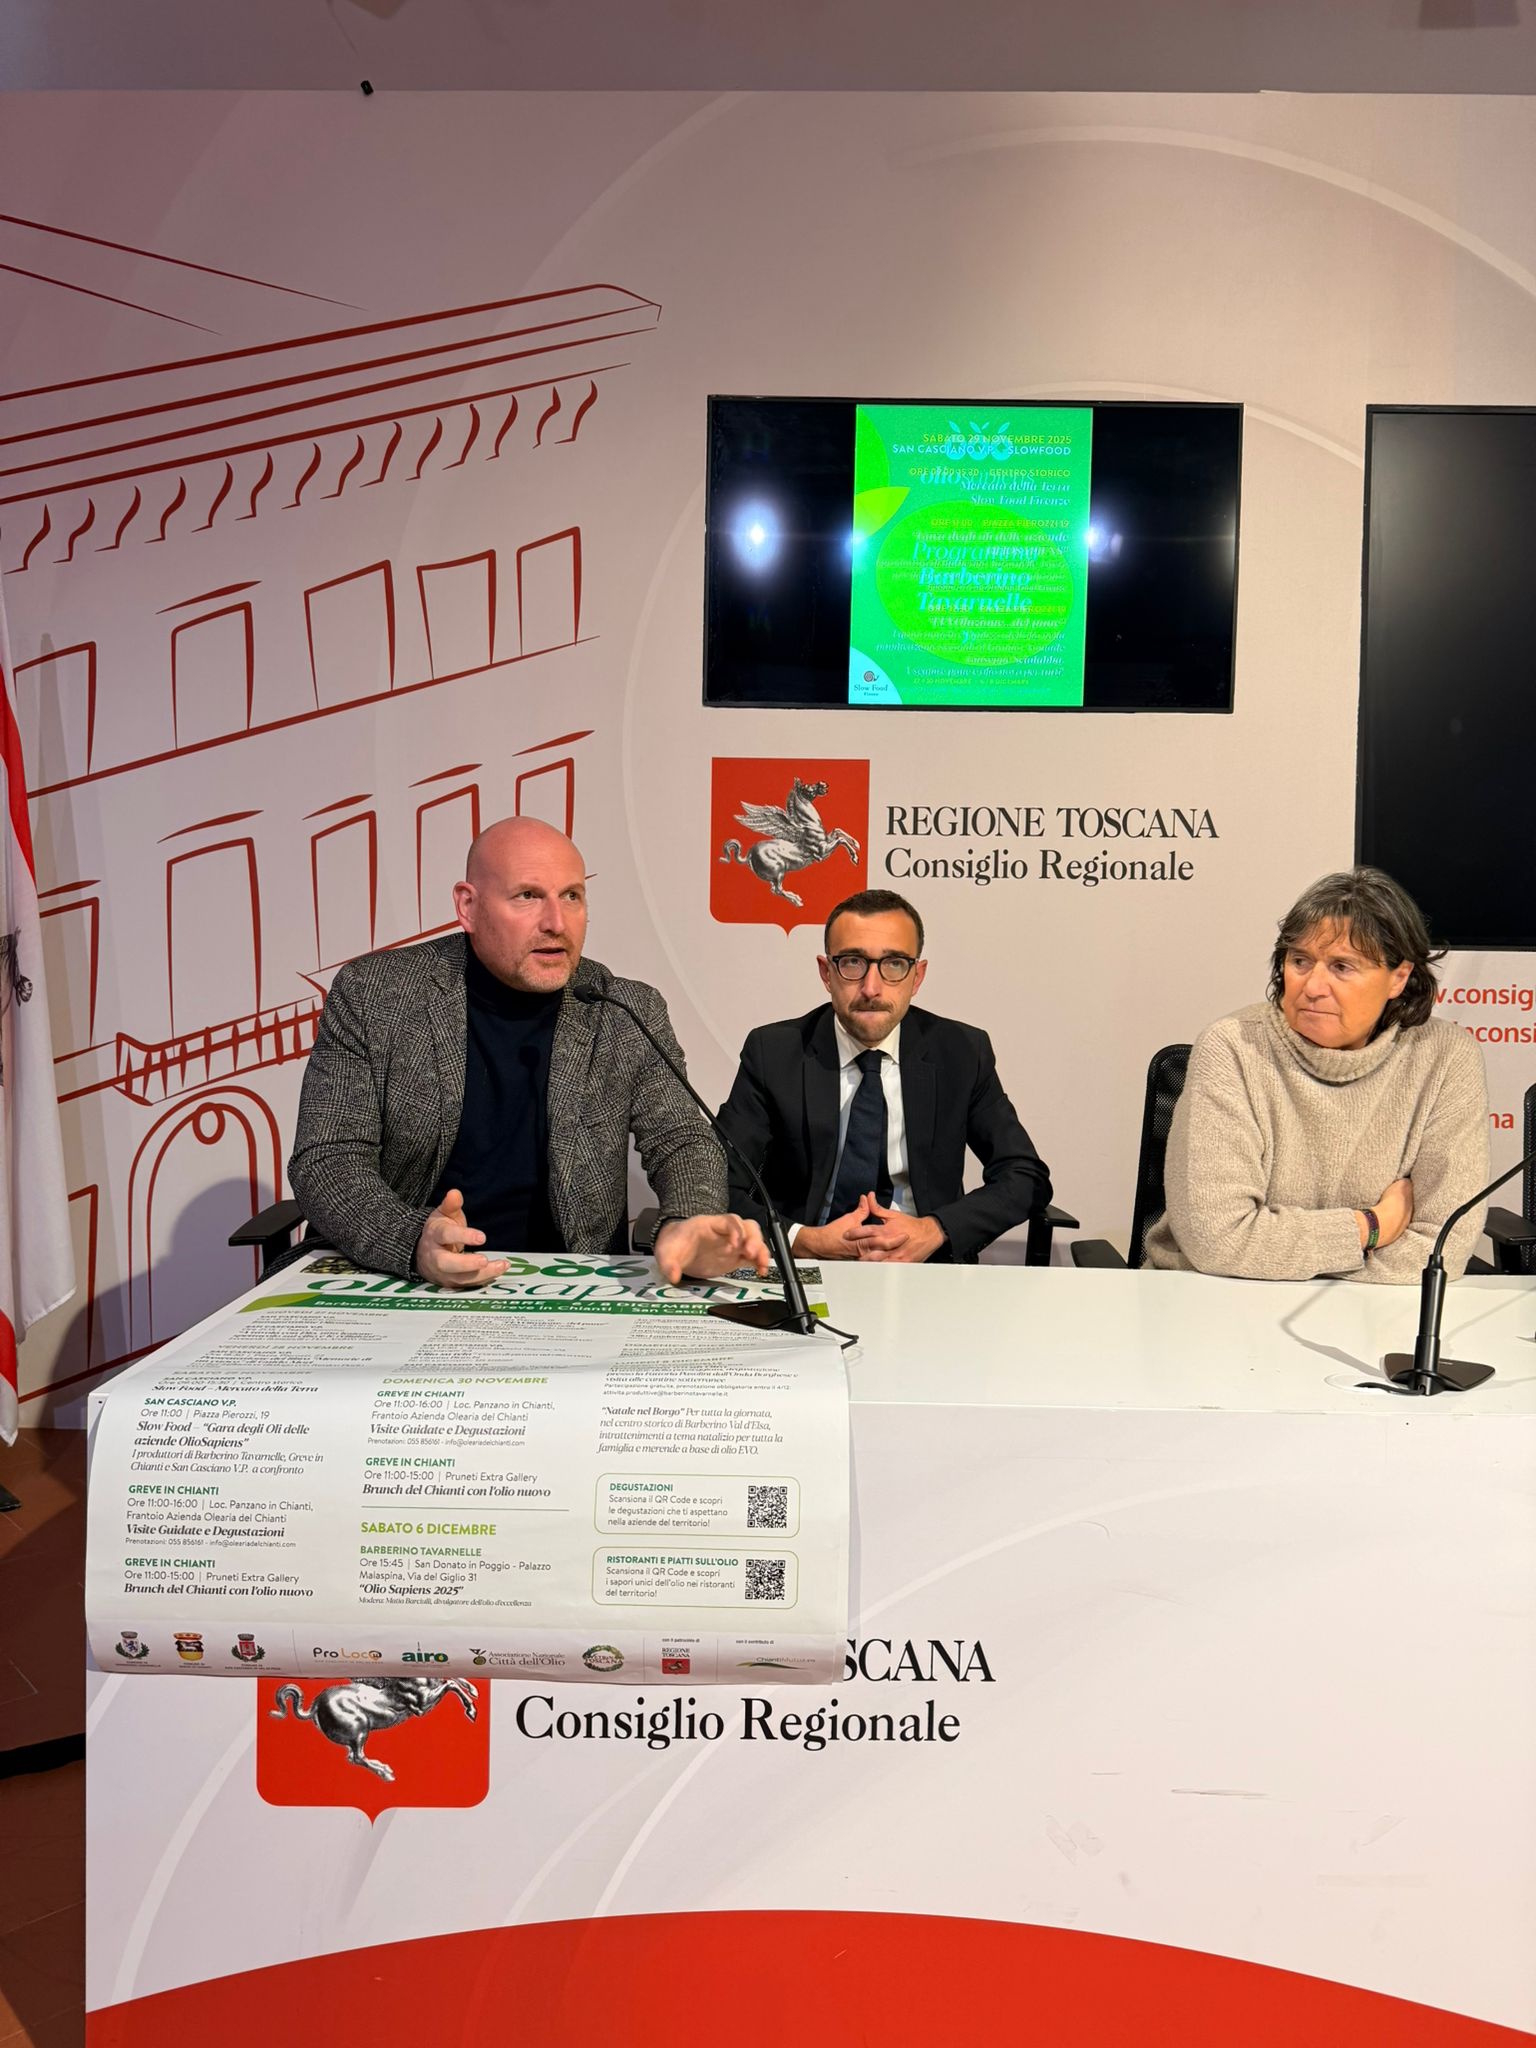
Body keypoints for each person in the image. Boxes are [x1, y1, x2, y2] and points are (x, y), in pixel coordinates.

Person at [289, 816, 768, 1288]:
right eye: (527, 896)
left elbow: (681, 1140)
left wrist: (688, 1220)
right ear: (468, 906)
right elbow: (328, 1158)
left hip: (566, 1284)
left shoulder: (622, 1008)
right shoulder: (376, 995)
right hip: (403, 1278)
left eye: (572, 896)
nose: (556, 923)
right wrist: (413, 1241)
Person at [1143, 867, 1489, 1283]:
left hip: (1371, 1308)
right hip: (1212, 1295)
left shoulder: (1446, 1058)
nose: (1312, 986)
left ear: (1399, 977)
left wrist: (1292, 1262)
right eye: (1300, 961)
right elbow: (1218, 1240)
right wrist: (1371, 1227)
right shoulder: (1233, 1047)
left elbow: (1443, 1246)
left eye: (1342, 967)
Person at [715, 888, 1051, 1263]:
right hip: (806, 1263)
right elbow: (712, 1179)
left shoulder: (961, 1052)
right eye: (852, 962)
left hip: (925, 1266)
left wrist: (936, 1229)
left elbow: (1024, 1175)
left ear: (917, 976)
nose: (871, 989)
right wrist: (802, 1240)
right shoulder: (774, 1053)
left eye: (893, 964)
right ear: (826, 973)